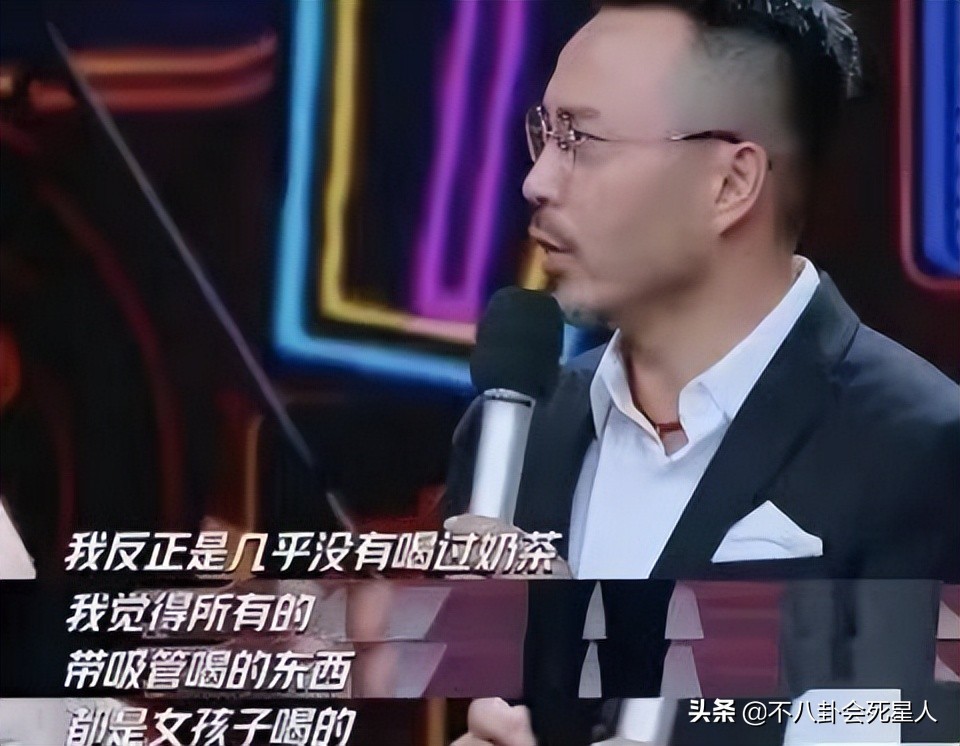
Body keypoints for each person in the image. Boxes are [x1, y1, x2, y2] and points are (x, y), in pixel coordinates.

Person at [445, 0, 960, 743]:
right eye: (544, 134)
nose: (538, 180)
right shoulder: (519, 436)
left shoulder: (922, 450)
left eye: (581, 140)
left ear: (729, 184)